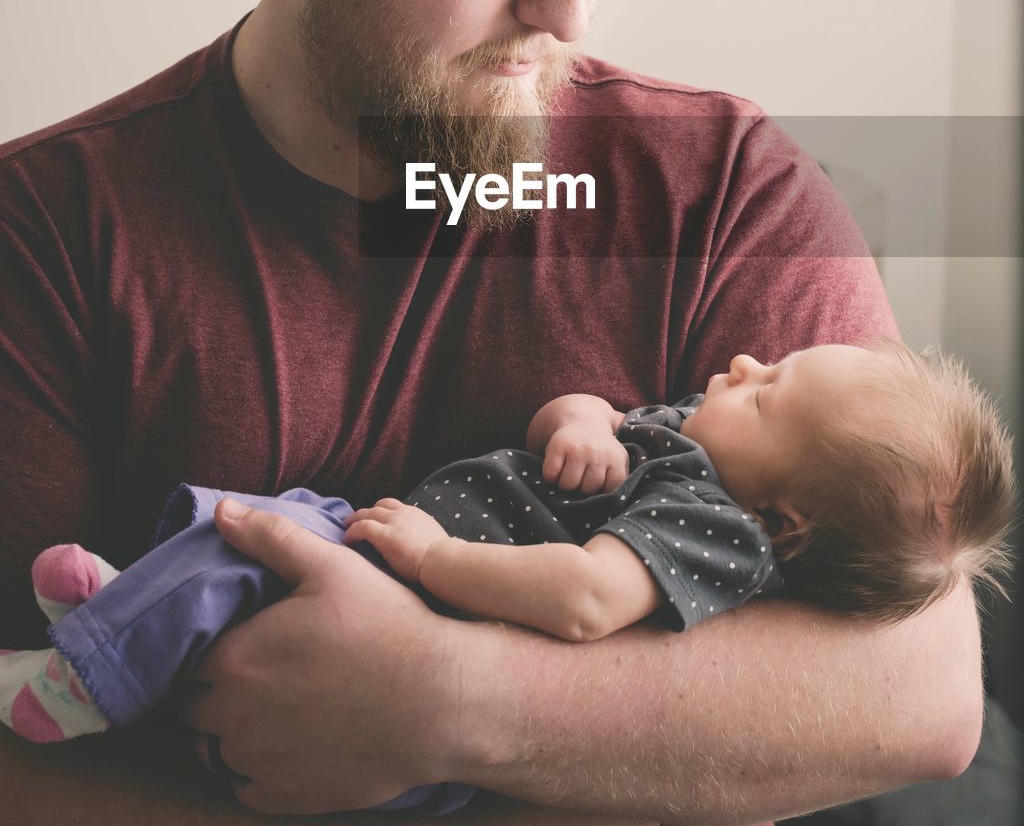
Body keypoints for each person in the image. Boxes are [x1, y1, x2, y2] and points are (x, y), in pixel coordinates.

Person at [0, 0, 988, 823]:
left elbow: (922, 687)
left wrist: (446, 698)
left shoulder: (721, 186)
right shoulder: (49, 236)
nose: (567, 9)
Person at [2, 343, 1012, 802]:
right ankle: (122, 604)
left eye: (769, 393)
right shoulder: (688, 442)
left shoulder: (716, 528)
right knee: (262, 521)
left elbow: (583, 598)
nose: (744, 367)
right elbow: (577, 413)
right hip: (390, 560)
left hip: (422, 593)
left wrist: (437, 560)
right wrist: (577, 417)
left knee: (262, 547)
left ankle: (77, 680)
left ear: (785, 522)